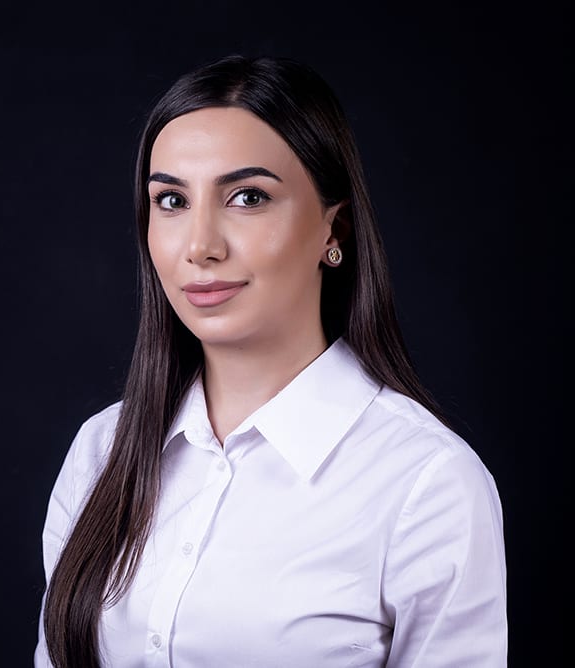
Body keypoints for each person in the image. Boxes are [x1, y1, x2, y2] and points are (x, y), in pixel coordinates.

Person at [34, 54, 507, 667]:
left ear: (334, 229)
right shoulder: (101, 451)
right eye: (171, 201)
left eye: (248, 197)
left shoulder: (426, 482)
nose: (200, 246)